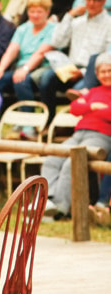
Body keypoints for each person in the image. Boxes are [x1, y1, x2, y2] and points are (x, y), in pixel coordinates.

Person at [41, 52, 111, 220]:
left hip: (100, 136)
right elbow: (74, 107)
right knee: (52, 158)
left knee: (71, 163)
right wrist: (93, 106)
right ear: (97, 74)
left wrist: (88, 106)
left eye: (110, 70)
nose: (106, 75)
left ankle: (60, 210)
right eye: (103, 71)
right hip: (79, 133)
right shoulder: (93, 91)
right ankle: (49, 200)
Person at [34, 0, 111, 121]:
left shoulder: (109, 24)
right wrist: (69, 16)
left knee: (78, 91)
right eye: (88, 0)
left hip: (93, 72)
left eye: (96, 1)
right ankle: (49, 120)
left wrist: (83, 72)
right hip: (70, 68)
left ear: (103, 2)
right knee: (46, 78)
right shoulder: (77, 22)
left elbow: (106, 57)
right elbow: (57, 42)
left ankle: (75, 124)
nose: (91, 4)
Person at [0, 0, 56, 108]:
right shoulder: (22, 29)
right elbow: (12, 50)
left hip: (41, 69)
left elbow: (41, 53)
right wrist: (0, 68)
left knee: (21, 80)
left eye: (39, 12)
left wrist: (25, 69)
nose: (35, 15)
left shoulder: (54, 29)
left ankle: (28, 120)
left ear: (47, 12)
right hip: (20, 68)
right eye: (32, 11)